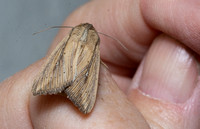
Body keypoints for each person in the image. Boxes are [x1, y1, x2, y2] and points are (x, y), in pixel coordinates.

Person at [1, 0, 200, 128]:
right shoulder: (94, 44)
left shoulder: (73, 37)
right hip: (84, 76)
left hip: (63, 62)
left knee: (54, 70)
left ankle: (55, 83)